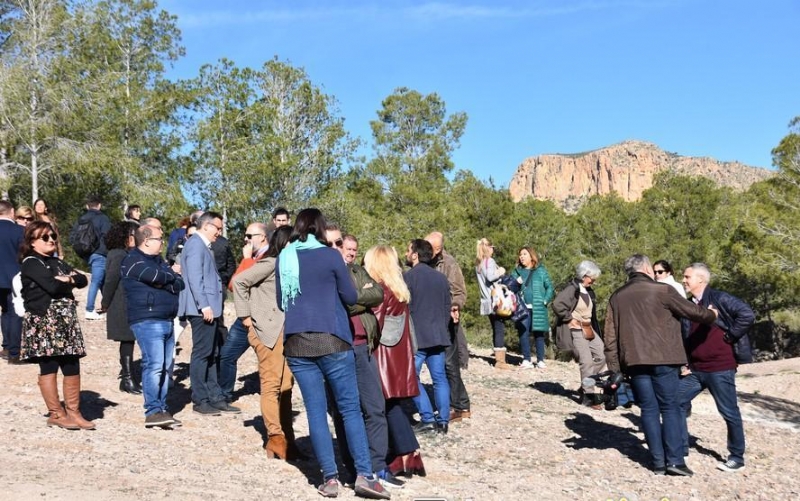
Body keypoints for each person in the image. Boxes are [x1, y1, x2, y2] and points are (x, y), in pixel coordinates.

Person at [275, 208, 389, 500]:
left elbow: (280, 300)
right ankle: (364, 475)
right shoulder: (330, 256)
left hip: (297, 342)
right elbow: (351, 296)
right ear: (321, 228)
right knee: (350, 408)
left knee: (315, 411)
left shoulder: (286, 257)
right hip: (333, 338)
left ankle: (330, 479)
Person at [603, 254, 717, 476]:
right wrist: (711, 314)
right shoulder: (663, 291)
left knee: (648, 409)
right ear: (646, 268)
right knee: (671, 407)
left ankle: (657, 463)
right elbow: (693, 313)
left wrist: (615, 368)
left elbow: (610, 337)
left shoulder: (616, 297)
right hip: (665, 359)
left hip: (634, 361)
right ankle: (675, 462)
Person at [328, 231, 402, 488]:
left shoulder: (359, 272)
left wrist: (353, 296)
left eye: (353, 249)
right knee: (345, 410)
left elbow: (377, 294)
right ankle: (354, 468)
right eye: (344, 247)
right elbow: (343, 305)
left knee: (374, 406)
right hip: (339, 349)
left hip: (363, 347)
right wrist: (360, 298)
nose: (349, 252)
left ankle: (378, 466)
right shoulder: (330, 273)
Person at [679, 263, 754, 473]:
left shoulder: (720, 298)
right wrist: (686, 362)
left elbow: (747, 315)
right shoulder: (688, 305)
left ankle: (737, 457)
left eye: (687, 277)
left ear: (701, 280)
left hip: (720, 368)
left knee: (729, 411)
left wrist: (730, 336)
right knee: (675, 401)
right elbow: (686, 336)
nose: (684, 280)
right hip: (696, 370)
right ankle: (681, 448)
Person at [19, 221, 94, 429]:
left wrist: (68, 279)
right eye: (45, 237)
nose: (51, 240)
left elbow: (82, 280)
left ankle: (74, 413)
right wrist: (66, 281)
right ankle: (56, 414)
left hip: (65, 321)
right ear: (32, 242)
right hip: (44, 320)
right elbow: (51, 286)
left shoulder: (57, 262)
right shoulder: (31, 262)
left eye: (53, 236)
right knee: (49, 364)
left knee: (72, 363)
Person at [232, 226, 298, 459]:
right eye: (294, 241)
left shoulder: (289, 266)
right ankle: (275, 439)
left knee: (287, 387)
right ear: (284, 243)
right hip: (267, 332)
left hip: (286, 332)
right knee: (271, 385)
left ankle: (288, 439)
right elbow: (239, 282)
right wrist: (245, 317)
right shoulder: (270, 263)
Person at [364, 244, 426, 479]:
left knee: (386, 407)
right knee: (393, 406)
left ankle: (406, 454)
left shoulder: (380, 291)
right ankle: (410, 455)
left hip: (383, 358)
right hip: (398, 356)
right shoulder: (398, 289)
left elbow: (373, 327)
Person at [121, 224, 185, 428]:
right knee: (154, 365)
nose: (162, 242)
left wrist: (168, 277)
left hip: (167, 319)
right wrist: (169, 276)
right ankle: (153, 411)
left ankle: (161, 408)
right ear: (146, 240)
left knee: (166, 367)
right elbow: (158, 277)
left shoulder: (159, 261)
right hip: (147, 321)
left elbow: (179, 284)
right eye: (159, 239)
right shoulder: (132, 261)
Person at [177, 211, 240, 416]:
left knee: (212, 353)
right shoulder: (195, 245)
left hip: (209, 308)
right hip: (202, 309)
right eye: (217, 228)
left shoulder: (203, 245)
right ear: (206, 226)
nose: (219, 233)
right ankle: (200, 399)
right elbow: (195, 278)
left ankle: (215, 396)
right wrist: (204, 305)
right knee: (202, 354)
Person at [404, 238, 452, 434]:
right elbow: (447, 307)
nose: (406, 254)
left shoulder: (408, 277)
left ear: (415, 254)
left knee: (411, 377)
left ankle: (427, 417)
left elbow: (405, 308)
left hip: (418, 339)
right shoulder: (440, 278)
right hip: (438, 335)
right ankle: (443, 420)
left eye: (408, 250)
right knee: (440, 378)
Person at [220, 222, 271, 403]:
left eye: (250, 236)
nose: (246, 240)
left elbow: (242, 283)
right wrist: (247, 260)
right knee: (227, 355)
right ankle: (224, 394)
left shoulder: (270, 257)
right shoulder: (252, 258)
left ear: (262, 237)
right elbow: (234, 284)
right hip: (245, 317)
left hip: (264, 319)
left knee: (268, 362)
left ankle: (274, 397)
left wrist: (247, 260)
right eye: (246, 236)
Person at [426, 231, 471, 423]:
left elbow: (460, 292)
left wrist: (454, 306)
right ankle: (455, 403)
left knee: (449, 363)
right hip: (427, 318)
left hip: (445, 318)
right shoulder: (424, 260)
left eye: (432, 248)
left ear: (439, 248)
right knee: (439, 363)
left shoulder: (449, 264)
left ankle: (460, 406)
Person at [552, 260, 606, 407]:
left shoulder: (588, 290)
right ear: (584, 275)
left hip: (589, 329)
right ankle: (588, 395)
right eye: (592, 278)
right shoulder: (572, 289)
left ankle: (585, 384)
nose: (593, 281)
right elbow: (557, 304)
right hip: (577, 330)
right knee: (586, 362)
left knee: (602, 356)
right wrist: (569, 319)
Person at [99, 221, 142, 394]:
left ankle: (128, 378)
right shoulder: (118, 254)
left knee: (129, 339)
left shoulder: (127, 253)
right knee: (127, 339)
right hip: (120, 302)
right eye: (133, 234)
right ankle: (127, 378)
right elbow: (110, 279)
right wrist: (105, 302)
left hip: (128, 301)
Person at [510, 246, 554, 369]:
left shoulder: (541, 271)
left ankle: (540, 360)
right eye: (520, 254)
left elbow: (550, 287)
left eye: (524, 254)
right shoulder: (516, 272)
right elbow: (510, 290)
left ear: (531, 256)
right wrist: (516, 283)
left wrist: (545, 300)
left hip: (538, 307)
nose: (521, 256)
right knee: (523, 332)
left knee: (539, 333)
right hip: (522, 307)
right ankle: (526, 359)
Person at [72, 195, 112, 320]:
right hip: (100, 253)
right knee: (96, 281)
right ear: (99, 205)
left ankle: (108, 306)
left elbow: (72, 237)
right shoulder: (103, 218)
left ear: (87, 206)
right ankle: (89, 309)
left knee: (101, 280)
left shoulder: (81, 219)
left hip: (87, 254)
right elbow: (108, 236)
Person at [475, 237, 509, 369]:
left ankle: (498, 358)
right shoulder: (489, 261)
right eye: (492, 248)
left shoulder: (478, 263)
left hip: (486, 300)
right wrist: (500, 272)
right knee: (499, 328)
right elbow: (491, 277)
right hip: (495, 300)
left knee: (495, 328)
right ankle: (500, 361)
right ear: (488, 248)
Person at [0, 200, 24, 363]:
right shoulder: (20, 231)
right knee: (14, 314)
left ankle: (6, 346)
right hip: (13, 277)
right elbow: (24, 255)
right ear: (12, 211)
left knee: (5, 311)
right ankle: (14, 353)